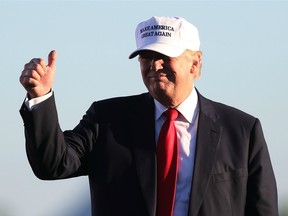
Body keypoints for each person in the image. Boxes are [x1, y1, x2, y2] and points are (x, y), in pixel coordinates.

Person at [19, 16, 278, 216]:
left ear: (195, 63)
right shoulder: (107, 120)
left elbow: (262, 209)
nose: (154, 66)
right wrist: (40, 98)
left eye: (164, 56)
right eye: (146, 57)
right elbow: (52, 164)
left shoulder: (242, 130)